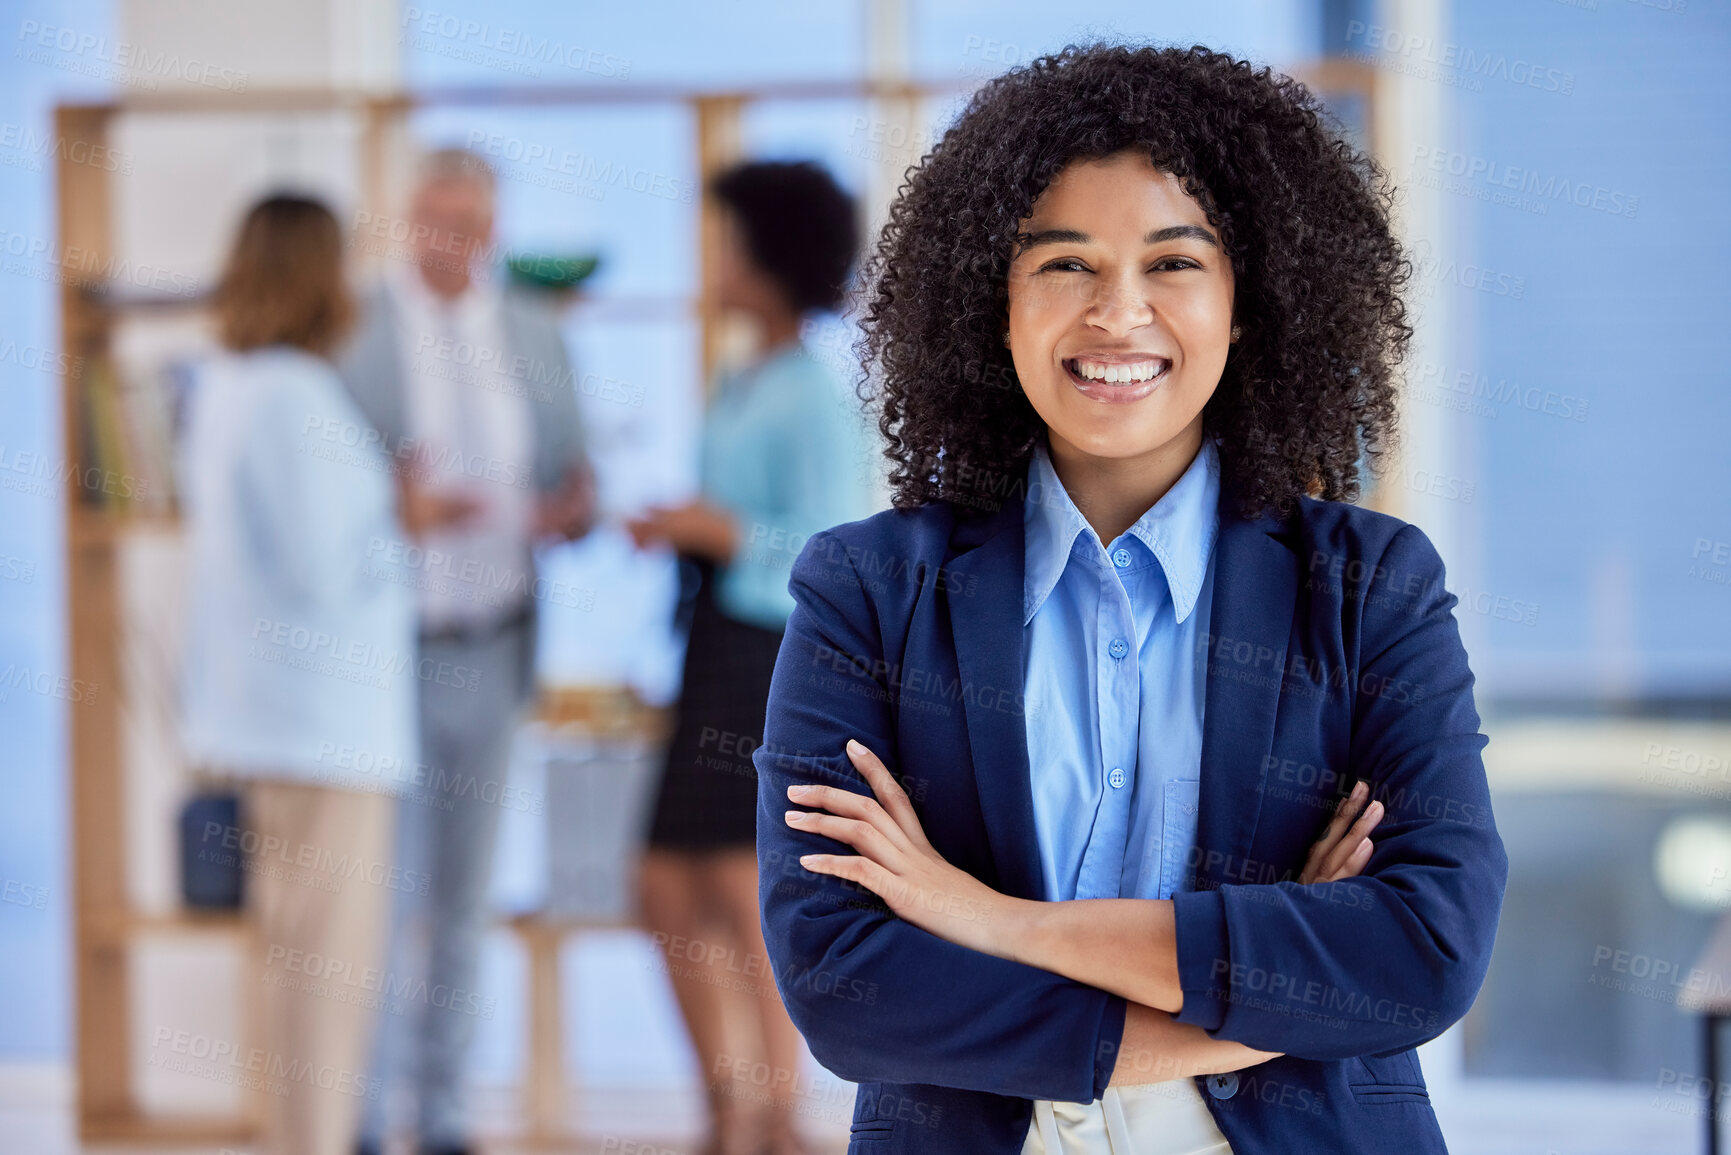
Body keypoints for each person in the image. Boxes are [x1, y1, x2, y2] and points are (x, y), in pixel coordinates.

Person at [754, 44, 1508, 1155]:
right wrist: (1240, 1015)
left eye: (1173, 263)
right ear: (992, 301)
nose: (1118, 314)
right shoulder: (867, 587)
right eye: (1065, 265)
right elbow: (842, 983)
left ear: (1248, 301)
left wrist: (990, 922)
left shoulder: (1371, 587)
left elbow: (1423, 951)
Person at [338, 148, 598, 1155]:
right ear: (409, 219)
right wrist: (388, 508)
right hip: (382, 655)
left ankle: (440, 1115)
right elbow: (321, 490)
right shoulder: (356, 330)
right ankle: (358, 1120)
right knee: (377, 897)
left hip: (492, 645)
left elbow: (579, 479)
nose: (456, 241)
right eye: (438, 219)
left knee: (462, 898)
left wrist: (574, 511)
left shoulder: (534, 332)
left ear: (495, 229)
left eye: (474, 223)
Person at [625, 160, 877, 1155]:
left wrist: (721, 532)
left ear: (772, 255)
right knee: (663, 882)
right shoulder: (742, 374)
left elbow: (827, 540)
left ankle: (778, 1117)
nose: (715, 260)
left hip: (771, 650)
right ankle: (727, 1108)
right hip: (710, 643)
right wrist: (689, 530)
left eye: (730, 239)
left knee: (739, 881)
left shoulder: (815, 392)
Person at [178, 193, 416, 1155]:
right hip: (329, 730)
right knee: (329, 969)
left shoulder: (228, 383)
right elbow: (327, 568)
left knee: (288, 961)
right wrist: (401, 518)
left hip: (268, 720)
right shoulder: (296, 395)